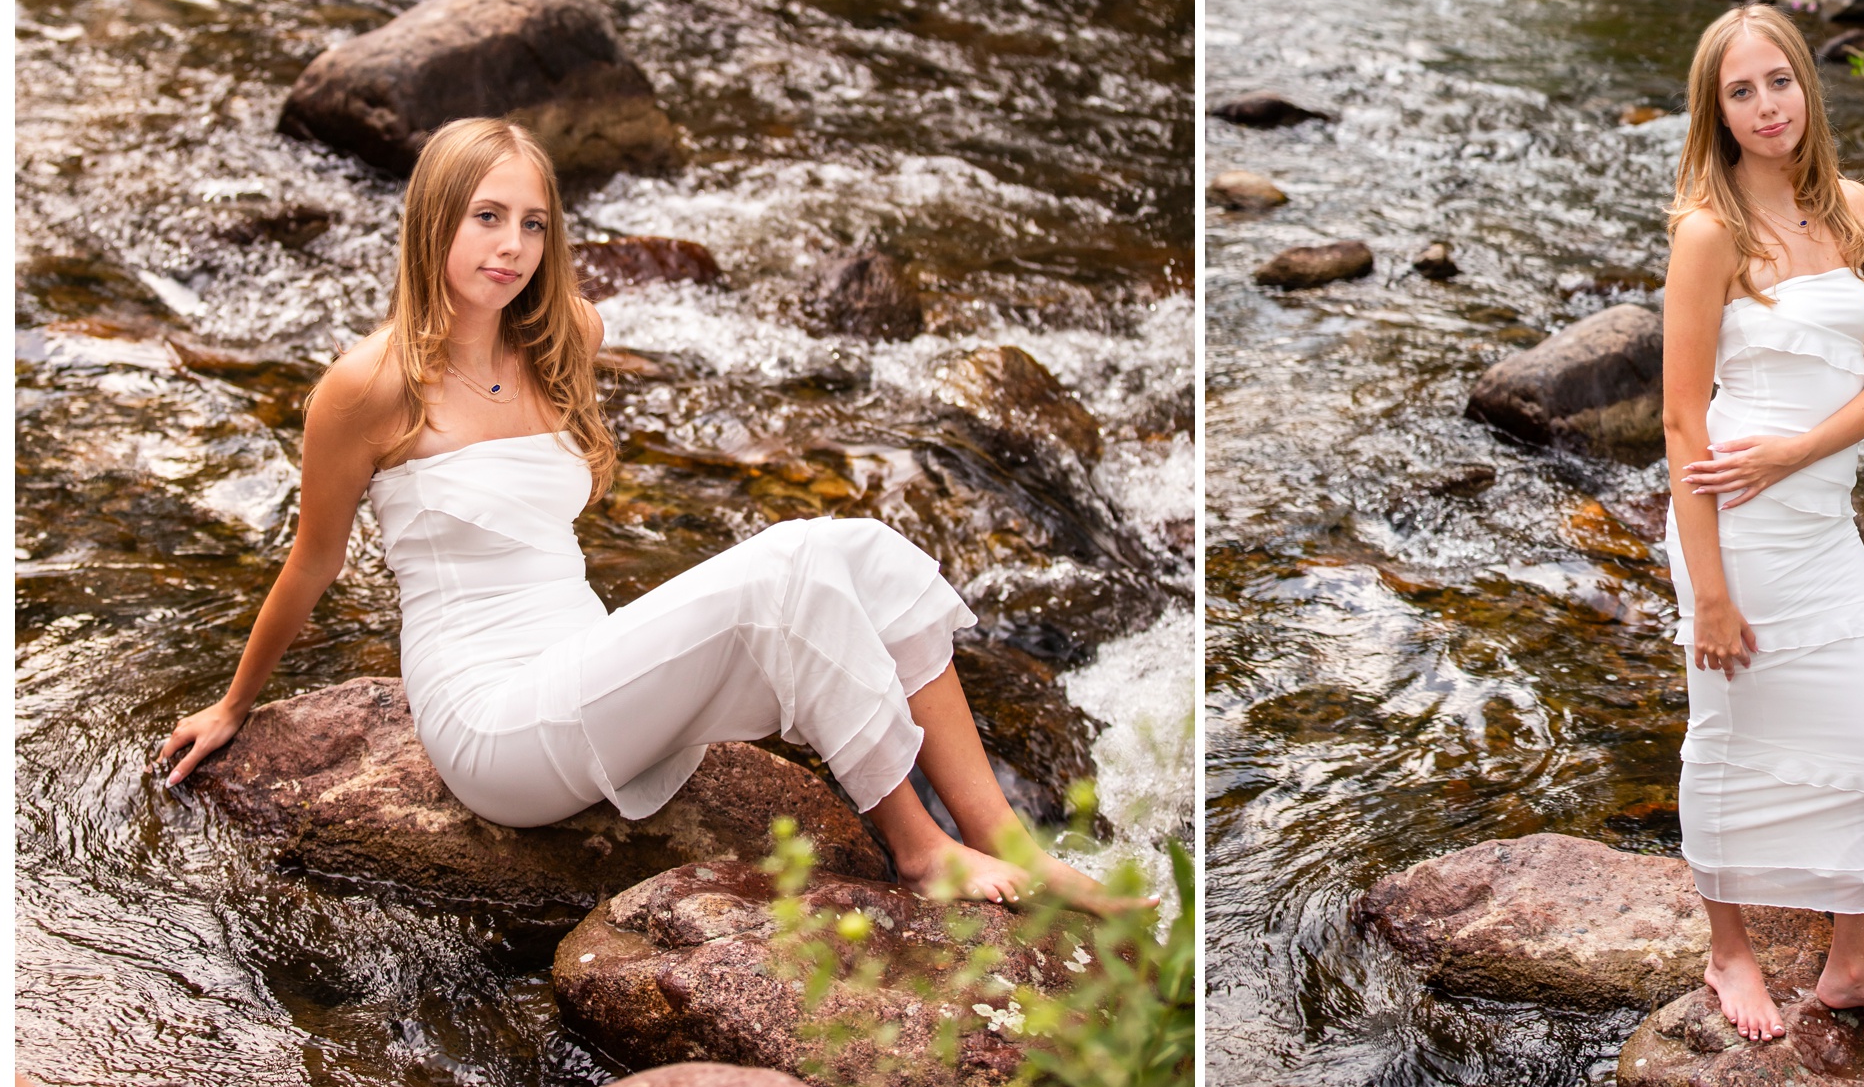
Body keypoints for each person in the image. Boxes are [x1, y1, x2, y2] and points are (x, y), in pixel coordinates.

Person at [158, 116, 1140, 913]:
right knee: (788, 568)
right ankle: (923, 852)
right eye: (485, 218)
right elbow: (312, 562)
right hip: (492, 725)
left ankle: (1008, 841)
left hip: (588, 667)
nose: (510, 248)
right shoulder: (367, 385)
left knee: (860, 550)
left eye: (532, 224)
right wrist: (237, 706)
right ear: (432, 223)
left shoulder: (564, 335)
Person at [1659, 2, 1864, 1040]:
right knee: (1731, 735)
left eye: (1777, 80)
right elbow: (1682, 418)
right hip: (1736, 525)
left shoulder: (1856, 207)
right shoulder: (1709, 232)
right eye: (1741, 91)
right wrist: (1709, 595)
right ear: (1719, 110)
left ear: (1804, 85)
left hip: (1819, 518)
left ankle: (1850, 967)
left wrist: (1799, 450)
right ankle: (1729, 952)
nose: (1765, 104)